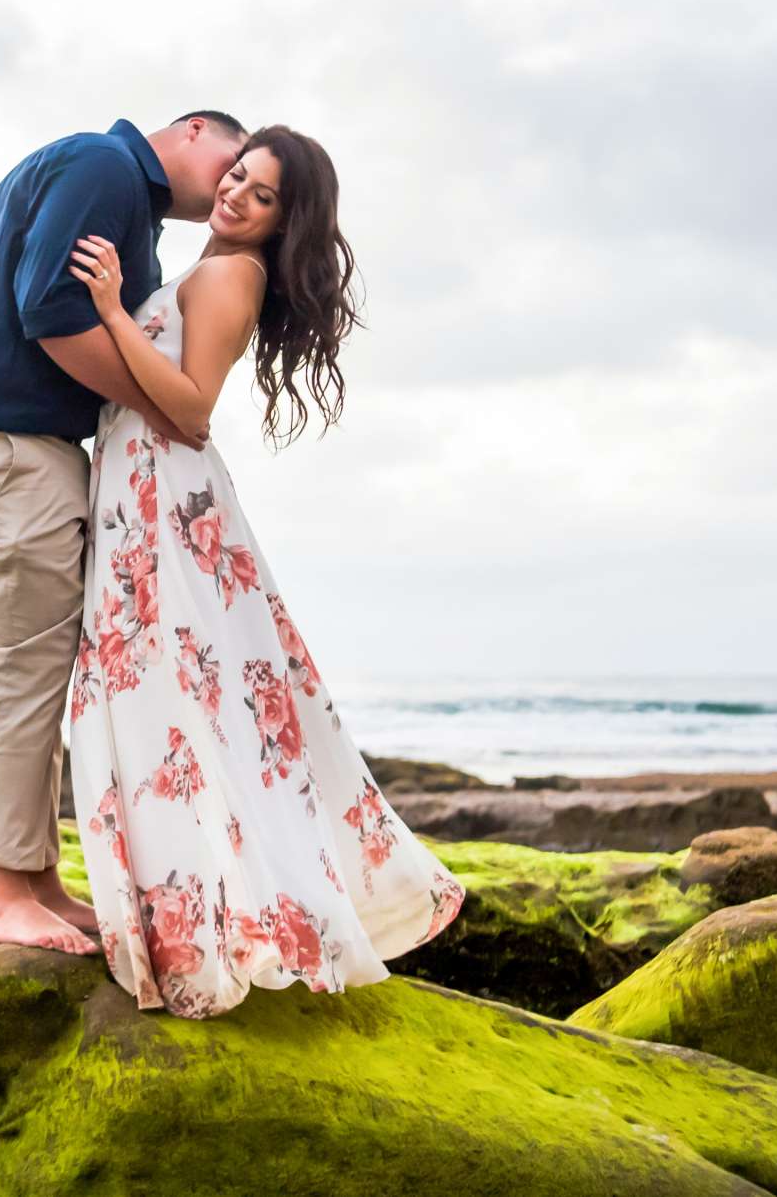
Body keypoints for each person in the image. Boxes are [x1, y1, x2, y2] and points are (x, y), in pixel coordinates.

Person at [61, 124, 467, 1017]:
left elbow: (191, 411)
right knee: (174, 714)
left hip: (166, 498)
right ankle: (201, 926)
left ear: (286, 223)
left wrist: (116, 312)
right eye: (239, 174)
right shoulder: (209, 267)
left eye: (266, 194)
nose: (240, 193)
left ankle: (206, 934)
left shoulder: (230, 273)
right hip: (147, 497)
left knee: (167, 713)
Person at [0, 112, 249, 956]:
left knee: (36, 664)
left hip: (13, 450)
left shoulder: (121, 201)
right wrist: (158, 405)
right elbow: (50, 308)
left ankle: (34, 881)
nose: (231, 191)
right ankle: (0, 895)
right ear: (195, 129)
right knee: (28, 668)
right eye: (234, 165)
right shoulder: (106, 169)